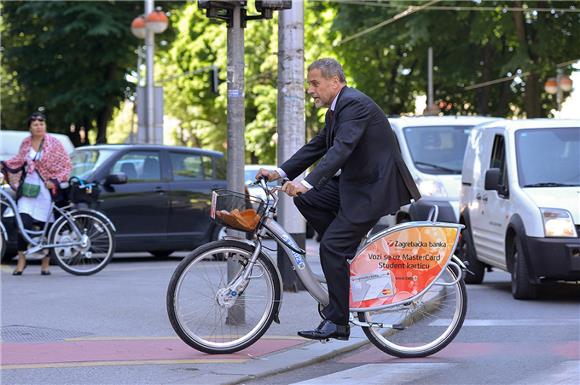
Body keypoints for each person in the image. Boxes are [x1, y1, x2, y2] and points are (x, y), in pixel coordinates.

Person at [257, 58, 421, 341]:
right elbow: (318, 146)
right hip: (355, 184)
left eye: (315, 83)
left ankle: (338, 322)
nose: (311, 90)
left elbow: (341, 150)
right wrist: (281, 173)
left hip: (372, 189)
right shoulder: (336, 109)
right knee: (309, 202)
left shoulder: (354, 105)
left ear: (335, 82)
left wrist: (306, 182)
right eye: (310, 84)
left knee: (330, 247)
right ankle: (346, 248)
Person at [0, 112, 72, 275]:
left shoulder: (54, 143)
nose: (39, 126)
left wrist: (54, 181)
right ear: (30, 128)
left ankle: (45, 263)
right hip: (29, 189)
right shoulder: (26, 143)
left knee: (46, 226)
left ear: (45, 126)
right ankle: (21, 260)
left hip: (46, 191)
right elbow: (18, 160)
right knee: (23, 223)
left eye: (41, 123)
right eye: (35, 124)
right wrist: (2, 165)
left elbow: (66, 165)